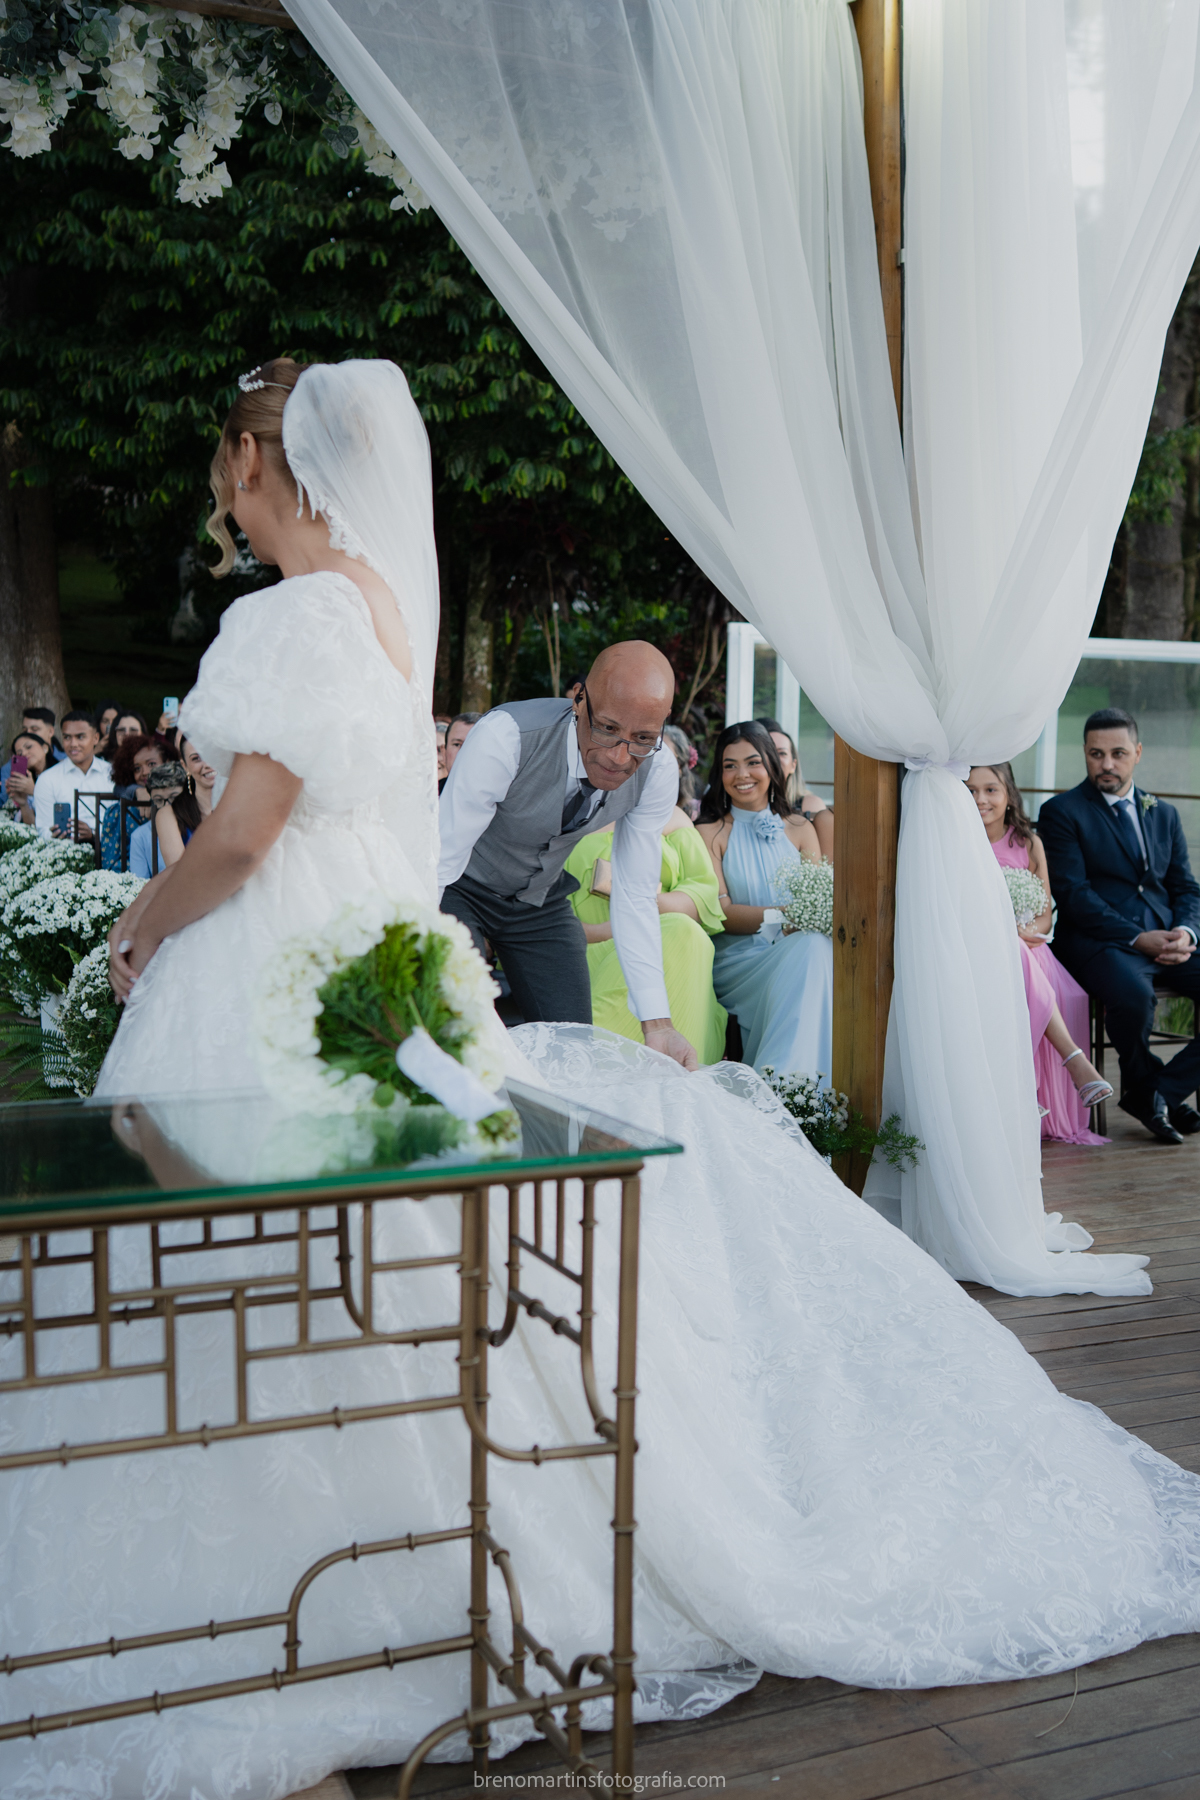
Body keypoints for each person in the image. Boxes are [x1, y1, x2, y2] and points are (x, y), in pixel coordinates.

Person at [8, 357, 1186, 1798]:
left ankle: (284, 1586)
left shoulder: (294, 611)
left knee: (236, 1253)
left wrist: (140, 919)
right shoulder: (384, 612)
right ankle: (432, 1552)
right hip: (362, 969)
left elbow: (246, 837)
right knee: (370, 1264)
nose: (222, 496)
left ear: (258, 467)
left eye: (223, 470)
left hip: (268, 971)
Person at [438, 646, 698, 1067]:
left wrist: (659, 1025)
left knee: (573, 1051)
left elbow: (633, 893)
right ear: (579, 699)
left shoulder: (659, 770)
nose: (619, 756)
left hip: (540, 902)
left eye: (643, 739)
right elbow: (441, 856)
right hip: (458, 886)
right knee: (462, 1025)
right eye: (608, 729)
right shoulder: (506, 736)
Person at [1039, 708, 1200, 1145]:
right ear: (1086, 754)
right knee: (1132, 996)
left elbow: (1185, 886)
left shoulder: (1163, 813)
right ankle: (1157, 1097)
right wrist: (1136, 936)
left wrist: (1185, 932)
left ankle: (1155, 1094)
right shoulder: (1062, 812)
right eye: (1096, 754)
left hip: (1169, 939)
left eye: (1117, 753)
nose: (1106, 764)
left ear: (1138, 753)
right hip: (1099, 941)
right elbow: (1074, 894)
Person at [967, 764, 1111, 1143]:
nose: (980, 799)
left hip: (1025, 947)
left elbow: (1045, 914)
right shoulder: (956, 843)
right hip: (974, 952)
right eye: (969, 791)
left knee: (1023, 959)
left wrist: (1025, 932)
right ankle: (1070, 1062)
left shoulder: (1028, 843)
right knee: (1012, 956)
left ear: (1008, 794)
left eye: (990, 790)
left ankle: (1026, 1094)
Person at [698, 721, 833, 1077]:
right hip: (738, 962)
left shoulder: (802, 829)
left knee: (816, 947)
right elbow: (721, 914)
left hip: (798, 950)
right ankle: (785, 1087)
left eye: (753, 762)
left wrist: (801, 922)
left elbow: (817, 901)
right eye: (730, 765)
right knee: (812, 949)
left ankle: (796, 1088)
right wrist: (787, 916)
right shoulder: (709, 833)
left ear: (773, 767)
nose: (741, 774)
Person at [564, 783, 728, 1063]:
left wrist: (639, 903)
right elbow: (537, 906)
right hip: (586, 950)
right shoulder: (565, 815)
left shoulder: (673, 818)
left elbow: (703, 894)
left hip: (669, 941)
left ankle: (679, 1077)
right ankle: (588, 1061)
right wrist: (612, 931)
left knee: (684, 931)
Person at [128, 738, 215, 876]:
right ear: (185, 765)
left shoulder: (242, 804)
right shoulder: (168, 815)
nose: (207, 763)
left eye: (212, 754)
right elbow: (181, 875)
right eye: (196, 758)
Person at [755, 715, 833, 856]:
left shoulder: (810, 805)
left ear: (793, 765)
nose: (774, 759)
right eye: (769, 752)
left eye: (782, 753)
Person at [31, 710, 111, 840]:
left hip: (110, 853)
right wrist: (58, 836)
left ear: (96, 738)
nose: (73, 744)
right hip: (64, 853)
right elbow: (43, 829)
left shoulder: (112, 773)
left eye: (80, 737)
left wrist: (93, 835)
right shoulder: (47, 779)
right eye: (67, 737)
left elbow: (122, 824)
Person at [100, 734, 165, 870]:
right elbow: (111, 865)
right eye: (137, 768)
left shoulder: (182, 800)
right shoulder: (121, 811)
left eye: (151, 764)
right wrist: (137, 791)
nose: (145, 772)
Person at [0, 705, 60, 792]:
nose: (28, 733)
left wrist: (33, 791)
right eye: (25, 730)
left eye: (34, 729)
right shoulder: (11, 768)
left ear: (50, 731)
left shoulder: (67, 761)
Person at [1, 729, 53, 825]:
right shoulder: (27, 781)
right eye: (19, 753)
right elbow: (31, 827)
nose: (24, 753)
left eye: (29, 747)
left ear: (45, 748)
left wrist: (34, 792)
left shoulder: (61, 773)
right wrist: (23, 802)